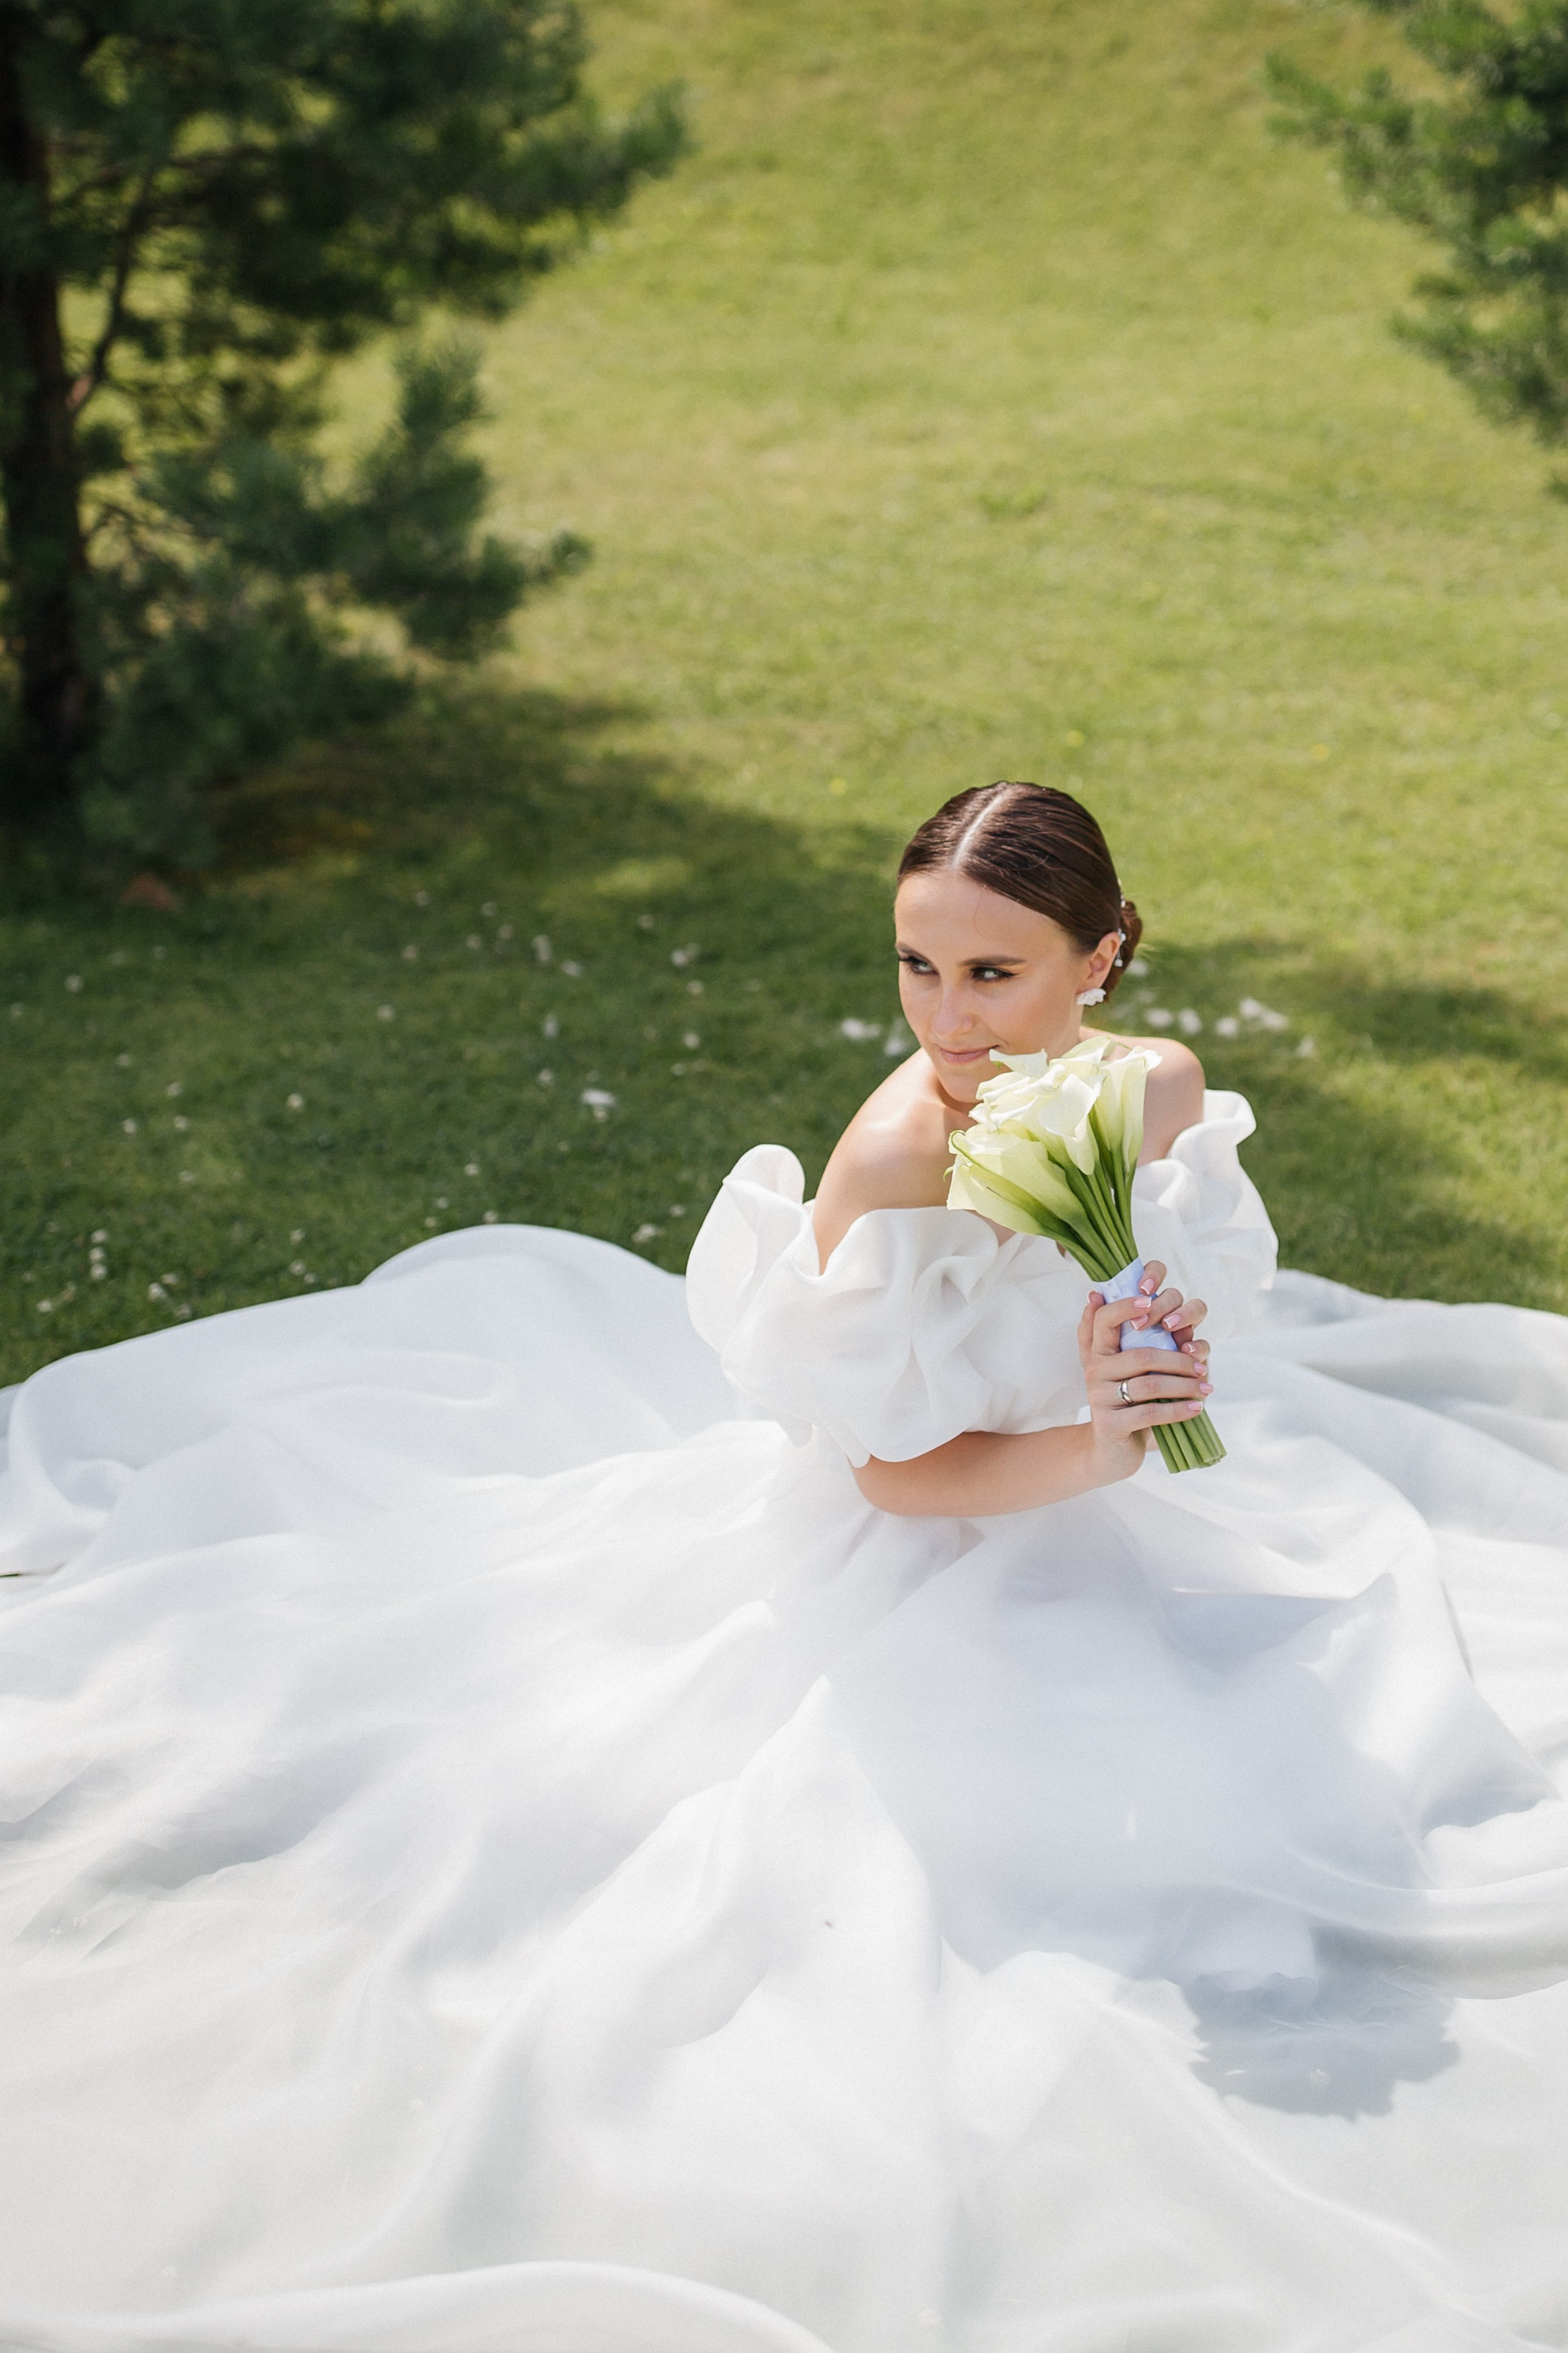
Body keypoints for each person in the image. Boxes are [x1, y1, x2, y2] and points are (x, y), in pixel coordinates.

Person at [3, 781, 1567, 2353]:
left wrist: (1147, 1359)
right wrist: (1099, 1442)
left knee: (1335, 1785)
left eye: (991, 973)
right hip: (904, 1554)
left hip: (1102, 1519)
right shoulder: (891, 1162)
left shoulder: (1156, 1086)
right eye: (914, 967)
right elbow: (891, 1475)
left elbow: (1190, 1276)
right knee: (1038, 1894)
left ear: (1100, 961)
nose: (943, 1018)